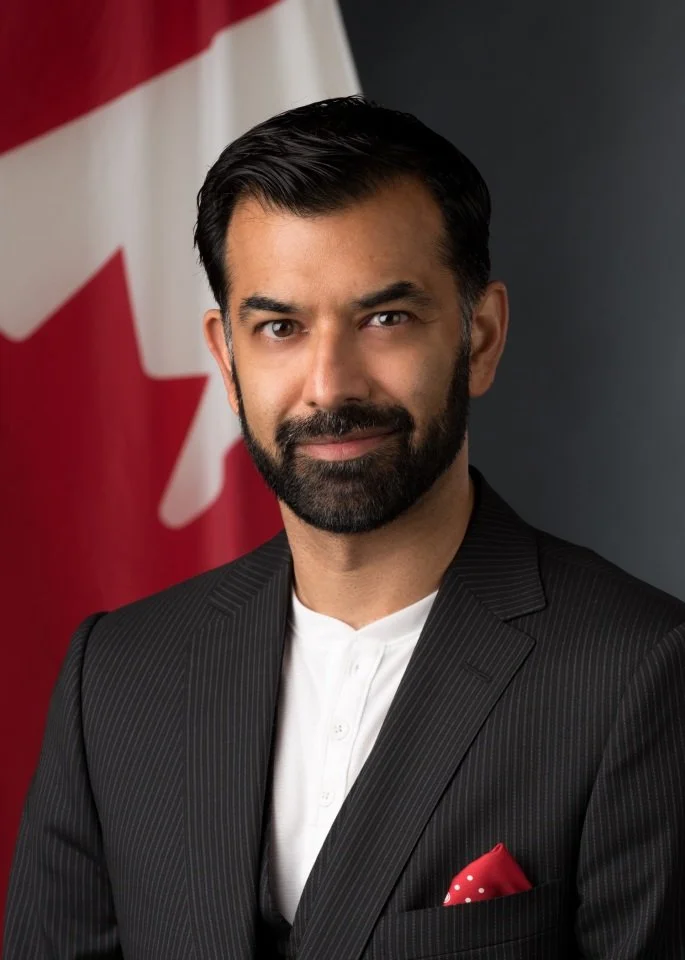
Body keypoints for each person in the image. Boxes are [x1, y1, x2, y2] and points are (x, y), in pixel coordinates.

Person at [4, 95, 684, 960]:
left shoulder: (641, 674)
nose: (329, 385)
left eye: (384, 319)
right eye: (280, 328)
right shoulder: (116, 679)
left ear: (478, 338)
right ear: (225, 357)